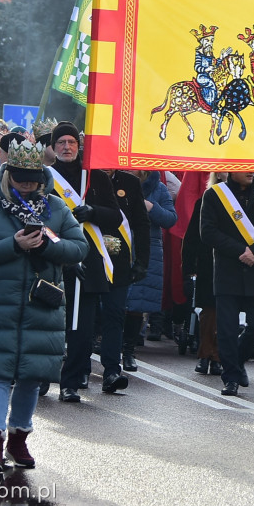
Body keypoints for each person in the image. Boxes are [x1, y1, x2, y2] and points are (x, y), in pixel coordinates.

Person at [0, 139, 87, 473]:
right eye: (20, 177)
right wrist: (12, 244)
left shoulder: (56, 208)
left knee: (32, 375)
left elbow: (78, 248)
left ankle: (18, 439)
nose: (28, 184)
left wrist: (46, 247)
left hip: (41, 303)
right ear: (8, 174)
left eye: (33, 178)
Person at [49, 122, 122, 403]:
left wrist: (93, 211)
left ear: (79, 146)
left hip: (87, 262)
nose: (66, 147)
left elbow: (115, 217)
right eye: (61, 143)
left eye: (71, 142)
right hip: (53, 259)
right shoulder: (45, 177)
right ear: (53, 147)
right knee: (51, 325)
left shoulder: (96, 178)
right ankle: (43, 377)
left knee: (81, 327)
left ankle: (71, 381)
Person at [199, 171, 254, 397]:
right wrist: (240, 252)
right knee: (226, 329)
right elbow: (207, 232)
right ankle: (231, 377)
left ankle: (236, 360)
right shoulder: (215, 195)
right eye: (244, 166)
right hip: (228, 271)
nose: (250, 171)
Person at [123, 170, 176, 371]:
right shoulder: (116, 183)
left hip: (147, 251)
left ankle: (129, 351)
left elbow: (171, 219)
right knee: (115, 301)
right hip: (118, 246)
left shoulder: (158, 187)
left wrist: (151, 207)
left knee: (137, 303)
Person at [103, 170, 150, 389]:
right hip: (88, 257)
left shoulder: (129, 182)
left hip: (119, 260)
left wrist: (142, 260)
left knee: (115, 314)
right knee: (86, 318)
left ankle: (112, 372)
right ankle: (78, 371)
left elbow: (141, 223)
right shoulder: (83, 175)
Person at [182, 179, 218, 375]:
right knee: (208, 312)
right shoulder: (206, 200)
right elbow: (192, 238)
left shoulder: (250, 199)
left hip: (237, 263)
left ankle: (219, 356)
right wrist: (188, 269)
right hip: (208, 264)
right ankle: (205, 355)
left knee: (227, 313)